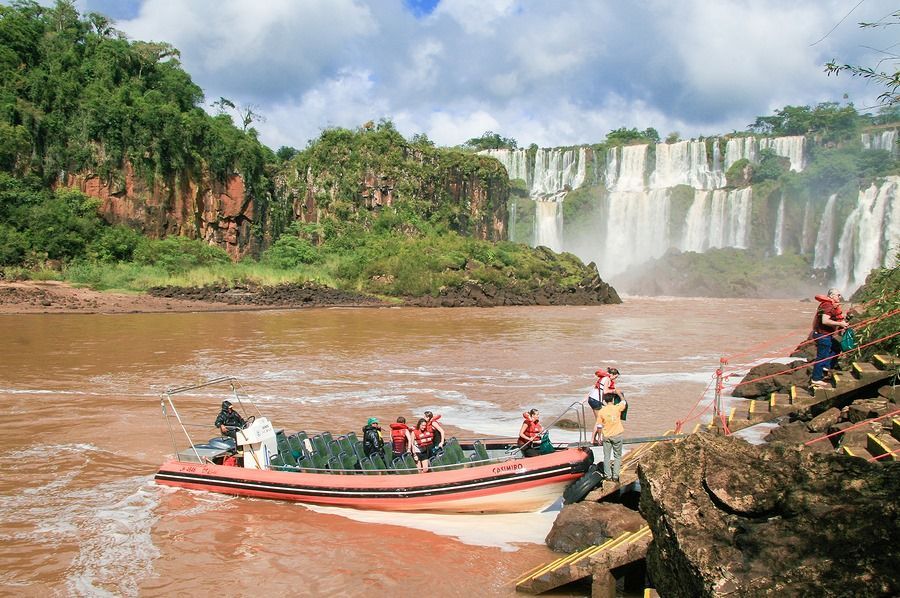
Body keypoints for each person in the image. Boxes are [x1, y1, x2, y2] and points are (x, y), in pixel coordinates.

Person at [810, 288, 849, 388]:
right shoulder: (828, 305)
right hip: (822, 335)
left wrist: (841, 324)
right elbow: (825, 321)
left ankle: (826, 367)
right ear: (831, 296)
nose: (840, 297)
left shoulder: (830, 305)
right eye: (838, 295)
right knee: (821, 356)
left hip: (825, 334)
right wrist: (840, 323)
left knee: (836, 347)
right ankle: (816, 378)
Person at [596, 393, 627, 482]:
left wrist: (599, 437)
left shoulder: (602, 411)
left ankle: (607, 476)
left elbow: (599, 426)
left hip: (607, 436)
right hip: (617, 435)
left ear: (605, 401)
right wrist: (619, 394)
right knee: (617, 456)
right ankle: (615, 476)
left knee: (607, 457)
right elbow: (624, 402)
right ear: (613, 400)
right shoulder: (617, 408)